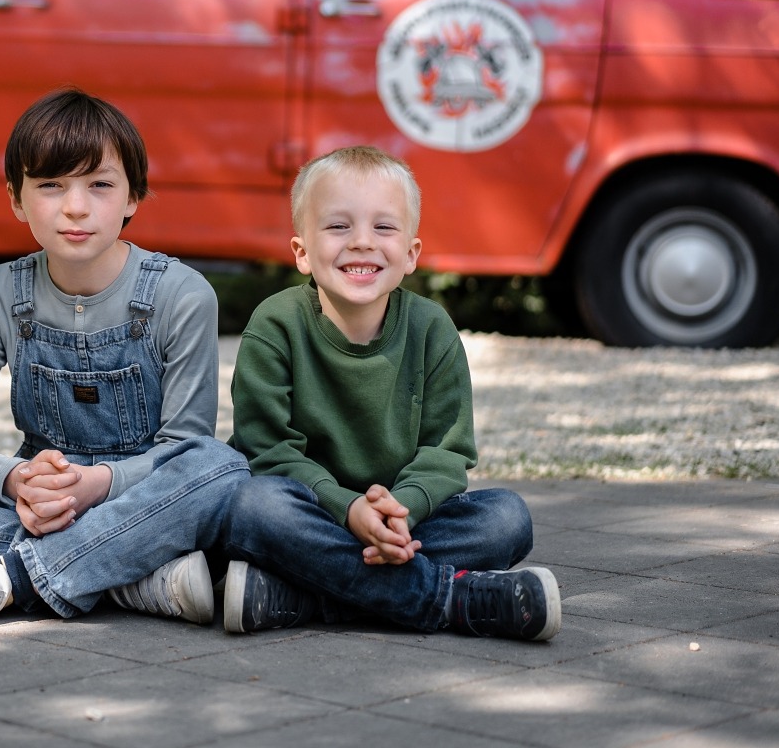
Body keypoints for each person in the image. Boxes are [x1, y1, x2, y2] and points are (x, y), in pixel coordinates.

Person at [0, 89, 248, 624]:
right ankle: (131, 579)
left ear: (133, 196)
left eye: (100, 185)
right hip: (40, 505)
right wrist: (16, 479)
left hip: (141, 497)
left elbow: (185, 451)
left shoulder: (182, 294)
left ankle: (10, 577)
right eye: (50, 185)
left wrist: (99, 485)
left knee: (221, 466)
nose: (75, 206)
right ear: (17, 200)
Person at [217, 146, 561, 640]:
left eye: (383, 228)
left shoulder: (431, 329)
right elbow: (267, 451)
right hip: (312, 512)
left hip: (402, 523)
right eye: (338, 227)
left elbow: (446, 453)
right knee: (252, 507)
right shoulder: (275, 325)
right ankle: (451, 599)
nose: (362, 243)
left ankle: (304, 596)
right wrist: (348, 510)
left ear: (411, 254)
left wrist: (400, 511)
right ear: (301, 252)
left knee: (507, 518)